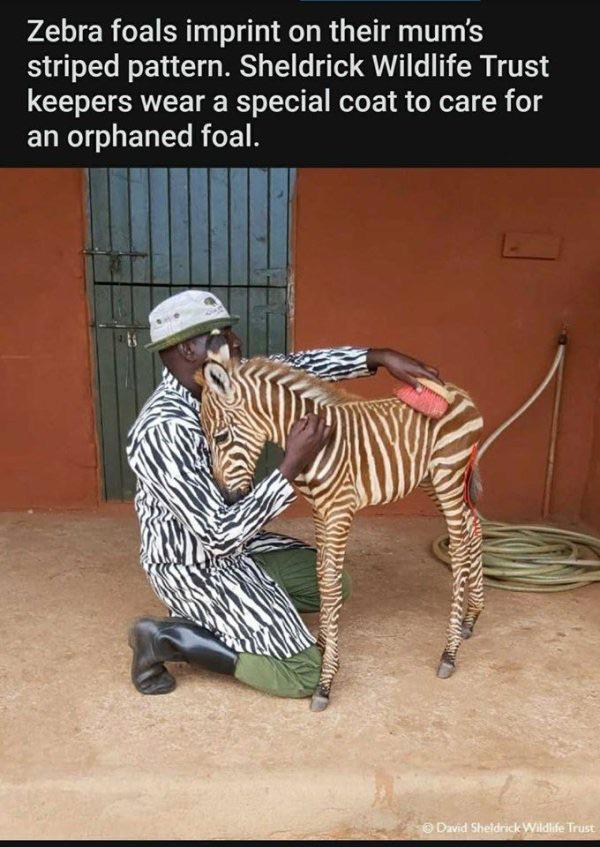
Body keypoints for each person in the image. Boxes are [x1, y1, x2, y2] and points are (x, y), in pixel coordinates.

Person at [126, 289, 441, 699]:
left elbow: (295, 367)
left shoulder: (229, 381)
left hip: (242, 548)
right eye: (221, 335)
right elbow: (218, 533)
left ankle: (222, 614)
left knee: (332, 584)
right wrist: (290, 466)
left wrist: (379, 358)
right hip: (193, 562)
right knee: (304, 674)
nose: (235, 342)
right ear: (188, 348)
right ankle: (167, 639)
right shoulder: (163, 429)